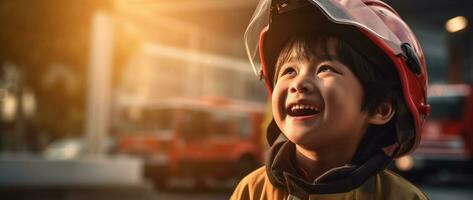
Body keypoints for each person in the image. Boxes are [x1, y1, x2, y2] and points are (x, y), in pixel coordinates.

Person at [231, 0, 431, 199]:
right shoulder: (252, 191)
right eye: (289, 71)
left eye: (325, 69)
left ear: (380, 109)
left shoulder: (400, 197)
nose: (298, 84)